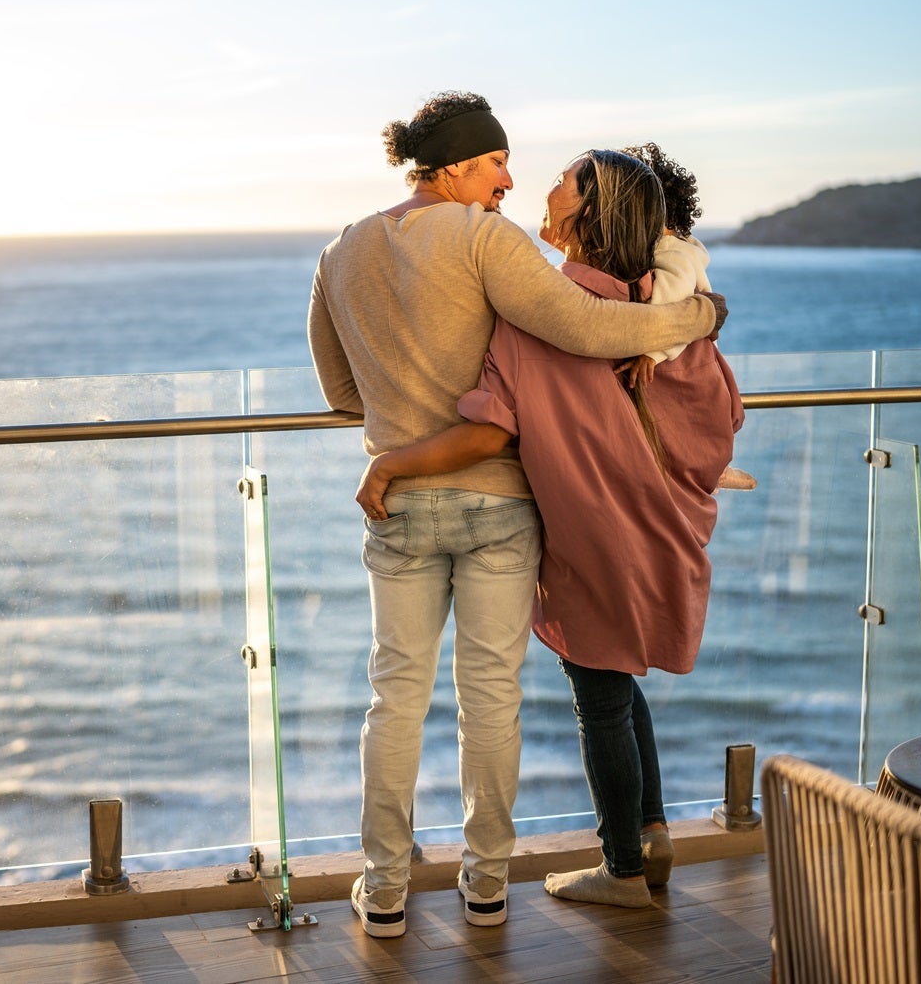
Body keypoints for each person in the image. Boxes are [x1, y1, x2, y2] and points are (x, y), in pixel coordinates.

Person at [307, 93, 725, 939]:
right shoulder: (486, 240)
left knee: (394, 699)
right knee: (489, 696)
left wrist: (400, 425)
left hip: (397, 499)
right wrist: (699, 314)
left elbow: (341, 392)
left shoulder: (339, 252)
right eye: (498, 164)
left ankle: (384, 890)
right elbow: (584, 324)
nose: (508, 181)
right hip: (499, 500)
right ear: (458, 165)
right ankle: (486, 886)